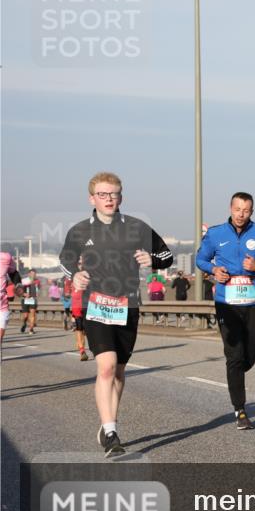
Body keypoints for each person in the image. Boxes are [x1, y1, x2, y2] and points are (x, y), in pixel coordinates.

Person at [59, 171, 173, 457]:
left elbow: (166, 255)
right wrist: (76, 275)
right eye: (103, 194)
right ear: (92, 198)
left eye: (114, 194)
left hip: (127, 306)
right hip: (95, 304)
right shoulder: (81, 230)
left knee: (119, 371)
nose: (109, 199)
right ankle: (111, 432)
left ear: (121, 196)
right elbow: (65, 259)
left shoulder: (136, 227)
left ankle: (108, 421)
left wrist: (153, 260)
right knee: (106, 366)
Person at [197, 192, 255, 430]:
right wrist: (214, 270)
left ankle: (239, 369)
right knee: (234, 356)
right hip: (226, 301)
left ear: (251, 212)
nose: (241, 214)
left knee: (250, 354)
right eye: (237, 209)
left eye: (246, 211)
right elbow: (201, 259)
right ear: (230, 208)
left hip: (253, 301)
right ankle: (240, 410)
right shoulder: (216, 234)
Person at [0, 252, 19, 343]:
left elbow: (14, 273)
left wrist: (18, 285)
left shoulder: (6, 257)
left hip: (2, 298)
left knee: (4, 321)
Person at [19, 269, 40, 334]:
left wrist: (37, 293)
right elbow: (19, 290)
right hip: (25, 299)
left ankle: (31, 329)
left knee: (33, 314)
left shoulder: (37, 281)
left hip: (33, 299)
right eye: (31, 274)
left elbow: (38, 289)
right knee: (26, 315)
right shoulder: (24, 280)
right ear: (29, 274)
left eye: (34, 274)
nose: (33, 275)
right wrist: (24, 294)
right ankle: (24, 323)